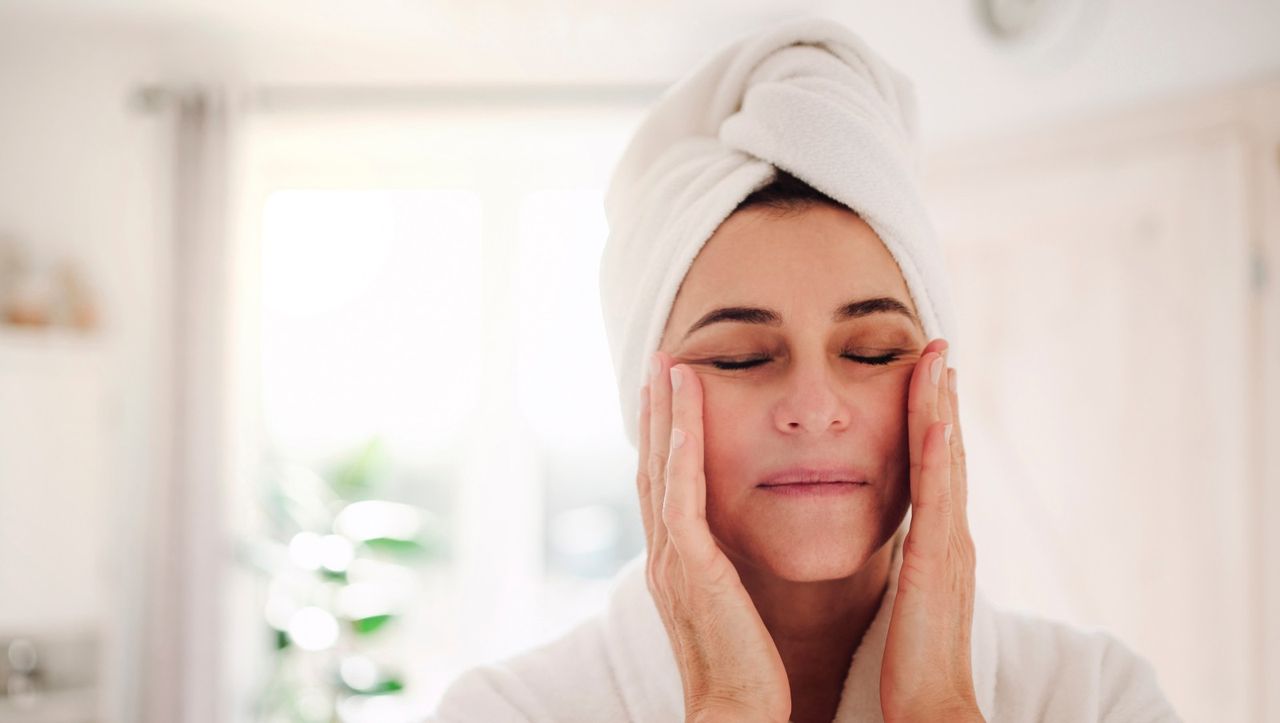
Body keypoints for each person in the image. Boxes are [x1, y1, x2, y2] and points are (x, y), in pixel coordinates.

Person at [430, 16, 1182, 723]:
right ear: (646, 403)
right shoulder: (509, 710)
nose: (815, 406)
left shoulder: (1094, 696)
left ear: (937, 386)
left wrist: (941, 706)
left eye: (872, 351)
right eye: (741, 357)